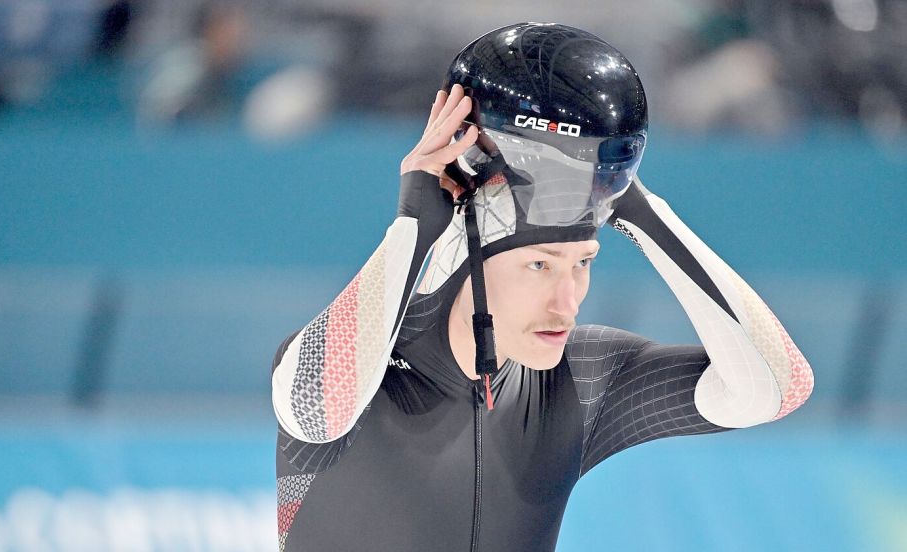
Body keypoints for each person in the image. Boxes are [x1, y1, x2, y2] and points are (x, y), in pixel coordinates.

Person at [270, 23, 813, 552]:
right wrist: (414, 225)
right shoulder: (362, 365)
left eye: (583, 263)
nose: (568, 300)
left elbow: (775, 388)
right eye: (539, 266)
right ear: (470, 249)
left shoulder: (580, 381)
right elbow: (316, 410)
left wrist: (643, 212)